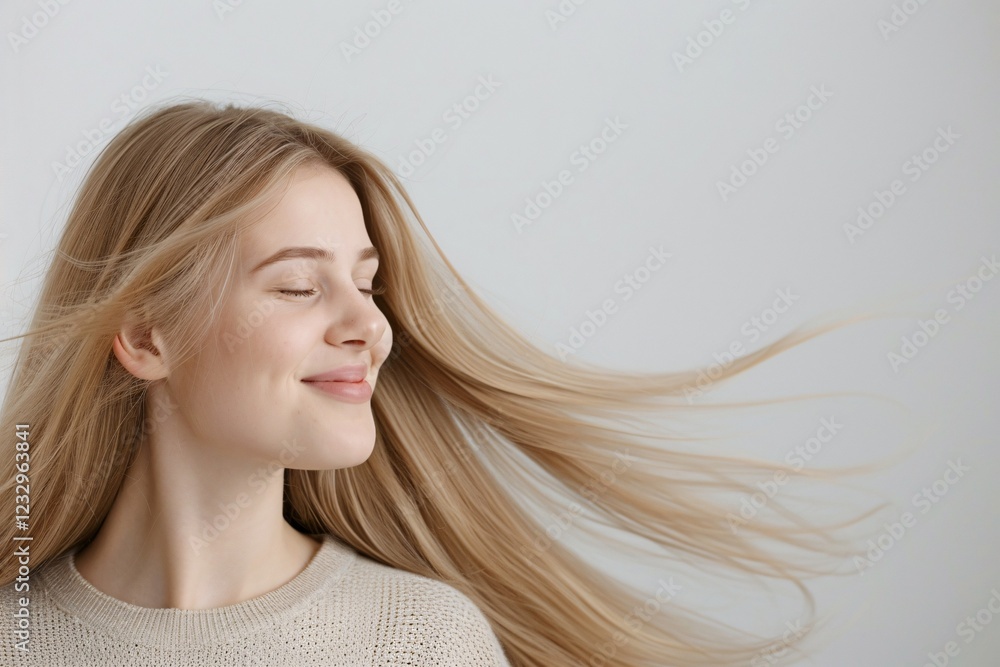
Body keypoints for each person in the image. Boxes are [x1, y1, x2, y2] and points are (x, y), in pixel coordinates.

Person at [0, 99, 885, 666]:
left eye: (368, 281)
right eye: (301, 285)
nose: (369, 325)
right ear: (147, 335)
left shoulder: (417, 640)